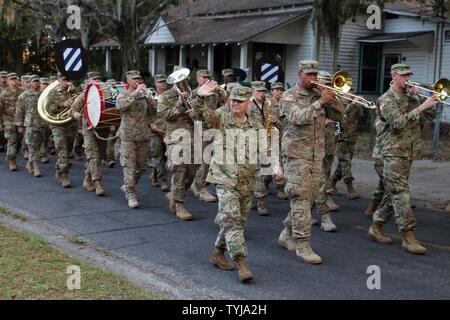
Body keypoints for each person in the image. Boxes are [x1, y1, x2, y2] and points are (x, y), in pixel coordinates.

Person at [193, 83, 283, 282]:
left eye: (239, 101)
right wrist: (199, 98)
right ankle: (241, 263)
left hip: (247, 181)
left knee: (236, 222)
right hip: (225, 179)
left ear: (248, 103)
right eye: (232, 100)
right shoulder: (221, 117)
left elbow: (267, 148)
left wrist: (276, 166)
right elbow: (202, 116)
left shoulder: (255, 124)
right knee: (233, 223)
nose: (234, 103)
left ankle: (217, 252)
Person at [368, 63, 437, 255]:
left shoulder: (411, 97)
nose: (408, 79)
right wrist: (422, 106)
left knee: (393, 194)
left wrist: (423, 97)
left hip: (407, 152)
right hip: (390, 153)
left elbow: (430, 115)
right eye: (404, 75)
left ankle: (376, 226)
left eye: (409, 75)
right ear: (394, 76)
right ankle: (408, 236)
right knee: (401, 194)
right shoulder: (386, 99)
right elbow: (397, 123)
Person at [277, 60, 336, 264]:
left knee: (309, 199)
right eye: (308, 74)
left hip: (315, 155)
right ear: (300, 74)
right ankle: (303, 245)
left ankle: (286, 233)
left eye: (315, 74)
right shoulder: (289, 95)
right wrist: (319, 103)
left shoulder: (318, 95)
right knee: (300, 198)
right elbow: (296, 118)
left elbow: (340, 117)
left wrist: (333, 100)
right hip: (296, 155)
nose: (313, 78)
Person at [158, 66, 203, 221]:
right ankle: (179, 204)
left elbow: (202, 115)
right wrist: (179, 102)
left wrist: (195, 109)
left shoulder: (193, 95)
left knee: (191, 172)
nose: (182, 82)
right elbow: (166, 116)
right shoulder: (166, 96)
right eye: (179, 80)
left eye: (184, 79)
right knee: (180, 170)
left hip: (194, 137)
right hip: (176, 139)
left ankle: (174, 194)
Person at [117, 70, 154, 208]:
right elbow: (121, 107)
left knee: (140, 167)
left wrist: (150, 99)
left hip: (143, 135)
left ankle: (128, 186)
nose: (138, 81)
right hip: (128, 136)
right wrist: (135, 93)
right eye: (134, 79)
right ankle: (131, 194)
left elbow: (154, 111)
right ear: (128, 81)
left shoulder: (145, 96)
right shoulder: (123, 95)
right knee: (129, 166)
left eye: (139, 78)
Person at [248, 80, 284, 215]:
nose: (262, 94)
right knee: (258, 175)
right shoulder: (246, 106)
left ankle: (256, 199)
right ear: (253, 92)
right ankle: (261, 202)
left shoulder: (269, 105)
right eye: (259, 91)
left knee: (264, 174)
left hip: (268, 143)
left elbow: (281, 126)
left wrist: (276, 122)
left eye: (264, 91)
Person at [191, 69, 226, 203]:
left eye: (208, 77)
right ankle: (202, 188)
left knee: (213, 160)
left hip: (215, 127)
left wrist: (220, 91)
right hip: (200, 128)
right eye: (203, 77)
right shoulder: (195, 93)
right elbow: (189, 110)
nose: (206, 79)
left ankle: (198, 184)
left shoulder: (215, 93)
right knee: (205, 160)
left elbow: (225, 104)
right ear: (198, 79)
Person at [70, 71, 107, 196]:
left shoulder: (106, 94)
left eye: (99, 78)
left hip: (103, 129)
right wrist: (76, 114)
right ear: (89, 81)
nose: (97, 81)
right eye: (94, 79)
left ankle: (87, 178)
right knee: (93, 156)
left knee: (100, 156)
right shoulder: (84, 95)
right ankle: (97, 184)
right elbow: (73, 109)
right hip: (89, 130)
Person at [45, 73, 78, 187]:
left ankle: (59, 170)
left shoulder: (74, 91)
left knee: (68, 150)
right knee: (62, 149)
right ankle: (64, 176)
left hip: (71, 124)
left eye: (68, 79)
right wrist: (62, 104)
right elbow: (48, 109)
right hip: (58, 125)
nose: (66, 82)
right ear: (59, 80)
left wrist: (74, 93)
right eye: (64, 80)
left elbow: (81, 105)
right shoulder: (52, 92)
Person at [328, 89, 362, 199]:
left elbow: (363, 117)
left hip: (352, 139)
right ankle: (350, 188)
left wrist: (359, 104)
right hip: (339, 138)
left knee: (343, 164)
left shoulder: (355, 106)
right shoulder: (338, 104)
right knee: (345, 161)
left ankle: (332, 183)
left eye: (352, 91)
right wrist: (353, 104)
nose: (352, 94)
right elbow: (343, 115)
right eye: (349, 92)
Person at [15, 75, 45, 177]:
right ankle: (36, 166)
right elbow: (19, 111)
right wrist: (19, 125)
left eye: (38, 81)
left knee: (39, 144)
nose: (36, 83)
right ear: (30, 83)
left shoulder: (43, 95)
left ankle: (29, 163)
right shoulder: (24, 96)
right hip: (30, 124)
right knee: (32, 146)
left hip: (41, 124)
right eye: (34, 81)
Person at [148, 73, 169, 192]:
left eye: (164, 82)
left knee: (164, 157)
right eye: (160, 82)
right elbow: (146, 113)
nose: (163, 84)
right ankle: (164, 180)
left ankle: (154, 174)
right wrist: (151, 124)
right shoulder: (151, 97)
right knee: (157, 155)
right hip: (154, 131)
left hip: (166, 131)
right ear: (155, 84)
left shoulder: (169, 97)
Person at [0, 73, 24, 171]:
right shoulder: (4, 93)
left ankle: (11, 154)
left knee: (18, 141)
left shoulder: (22, 92)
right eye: (12, 79)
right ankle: (12, 161)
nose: (14, 81)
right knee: (12, 140)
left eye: (15, 79)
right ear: (8, 81)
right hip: (8, 120)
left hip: (20, 121)